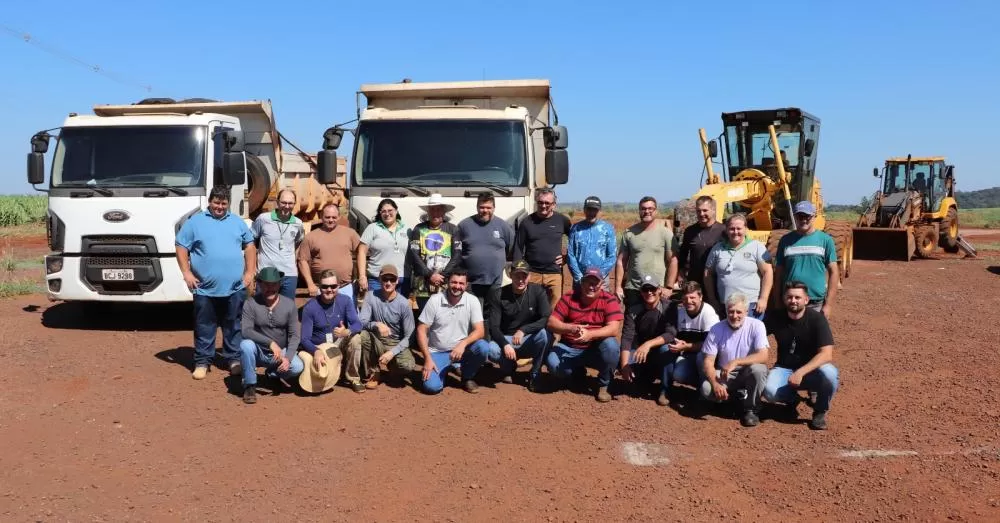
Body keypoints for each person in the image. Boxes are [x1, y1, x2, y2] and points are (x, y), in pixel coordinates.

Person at [175, 186, 256, 380]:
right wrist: (186, 272)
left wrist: (250, 272)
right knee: (205, 325)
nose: (219, 207)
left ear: (228, 204)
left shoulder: (237, 222)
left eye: (223, 203)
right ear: (210, 202)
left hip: (234, 288)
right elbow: (181, 246)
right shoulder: (195, 223)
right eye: (216, 203)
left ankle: (234, 359)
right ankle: (203, 361)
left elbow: (250, 246)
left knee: (233, 324)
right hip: (204, 289)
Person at [620, 279, 719, 406]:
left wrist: (687, 346)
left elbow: (710, 346)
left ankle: (702, 392)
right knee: (678, 374)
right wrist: (624, 365)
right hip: (685, 355)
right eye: (686, 298)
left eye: (693, 297)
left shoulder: (708, 312)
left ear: (701, 297)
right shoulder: (679, 310)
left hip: (703, 354)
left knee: (697, 356)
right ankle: (647, 378)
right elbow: (627, 336)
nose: (689, 301)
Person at [763, 282, 840, 430]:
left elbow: (826, 354)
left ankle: (820, 410)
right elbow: (756, 336)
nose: (793, 300)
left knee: (830, 374)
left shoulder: (817, 319)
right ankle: (792, 399)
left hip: (811, 371)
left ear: (806, 300)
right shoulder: (775, 317)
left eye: (797, 297)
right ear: (784, 299)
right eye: (789, 297)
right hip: (784, 368)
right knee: (769, 391)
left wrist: (800, 372)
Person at [471, 260, 552, 390]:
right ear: (510, 275)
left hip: (528, 338)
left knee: (544, 335)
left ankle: (535, 374)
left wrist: (524, 330)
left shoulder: (537, 291)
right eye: (517, 276)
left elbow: (545, 318)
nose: (521, 280)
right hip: (508, 339)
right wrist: (505, 344)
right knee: (492, 349)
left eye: (524, 276)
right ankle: (509, 368)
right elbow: (494, 326)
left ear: (529, 276)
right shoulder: (498, 294)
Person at [546, 267, 623, 402]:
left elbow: (614, 329)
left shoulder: (609, 299)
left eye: (595, 283)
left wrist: (590, 334)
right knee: (553, 364)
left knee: (611, 346)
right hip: (570, 346)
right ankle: (577, 371)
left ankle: (604, 384)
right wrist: (571, 328)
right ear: (582, 283)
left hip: (595, 348)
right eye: (588, 282)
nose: (591, 286)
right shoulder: (569, 297)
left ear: (601, 284)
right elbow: (551, 323)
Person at [415, 269, 491, 394]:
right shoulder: (435, 300)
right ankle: (446, 370)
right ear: (447, 283)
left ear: (466, 286)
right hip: (437, 351)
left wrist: (462, 344)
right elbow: (421, 330)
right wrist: (427, 358)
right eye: (454, 282)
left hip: (461, 351)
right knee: (431, 387)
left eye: (461, 283)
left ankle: (467, 376)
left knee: (483, 347)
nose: (457, 286)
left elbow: (480, 331)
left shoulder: (472, 301)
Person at [700, 293, 770, 427]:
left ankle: (752, 409)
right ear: (726, 311)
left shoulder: (757, 325)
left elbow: (763, 356)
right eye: (731, 311)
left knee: (759, 369)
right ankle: (732, 400)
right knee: (707, 389)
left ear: (746, 312)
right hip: (726, 373)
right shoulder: (716, 329)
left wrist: (736, 362)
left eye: (739, 312)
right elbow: (708, 361)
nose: (734, 315)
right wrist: (715, 384)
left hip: (748, 370)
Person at [237, 267, 304, 404]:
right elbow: (246, 331)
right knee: (246, 345)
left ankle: (273, 374)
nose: (270, 288)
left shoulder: (289, 305)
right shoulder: (250, 303)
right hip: (259, 351)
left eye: (274, 284)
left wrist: (288, 358)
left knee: (297, 366)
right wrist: (270, 343)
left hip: (281, 352)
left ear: (279, 284)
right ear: (259, 284)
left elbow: (294, 335)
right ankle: (249, 385)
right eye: (266, 284)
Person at [346, 264, 416, 390]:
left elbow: (409, 337)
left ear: (397, 281)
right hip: (377, 339)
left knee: (407, 365)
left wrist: (392, 352)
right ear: (379, 280)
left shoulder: (404, 304)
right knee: (362, 336)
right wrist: (376, 324)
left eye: (392, 279)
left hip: (395, 342)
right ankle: (374, 371)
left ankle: (392, 369)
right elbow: (361, 322)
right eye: (385, 279)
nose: (388, 283)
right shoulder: (371, 296)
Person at [457, 193, 514, 331]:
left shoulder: (503, 226)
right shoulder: (464, 225)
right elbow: (457, 251)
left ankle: (491, 343)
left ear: (494, 207)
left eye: (488, 207)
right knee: (472, 315)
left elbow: (511, 247)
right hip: (471, 282)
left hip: (495, 281)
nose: (485, 210)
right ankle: (473, 345)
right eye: (482, 207)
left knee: (493, 315)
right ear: (477, 207)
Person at [299, 269, 363, 391]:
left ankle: (354, 378)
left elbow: (357, 324)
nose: (329, 290)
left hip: (338, 343)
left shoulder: (345, 301)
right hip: (320, 348)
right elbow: (304, 339)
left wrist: (347, 332)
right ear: (319, 287)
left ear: (338, 287)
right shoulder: (310, 307)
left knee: (356, 338)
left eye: (333, 286)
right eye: (325, 286)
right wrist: (316, 351)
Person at [773, 201, 838, 318]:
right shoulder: (785, 240)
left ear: (814, 217)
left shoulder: (825, 240)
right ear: (794, 217)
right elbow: (778, 273)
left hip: (816, 303)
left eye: (807, 216)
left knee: (814, 336)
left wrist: (828, 305)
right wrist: (777, 301)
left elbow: (834, 272)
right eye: (799, 216)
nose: (803, 220)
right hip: (791, 302)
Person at [704, 213, 773, 319]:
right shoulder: (717, 248)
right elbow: (707, 273)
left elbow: (767, 272)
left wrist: (763, 299)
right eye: (732, 229)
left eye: (739, 228)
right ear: (726, 230)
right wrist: (712, 299)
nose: (735, 232)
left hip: (751, 306)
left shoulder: (757, 246)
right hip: (725, 306)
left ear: (745, 229)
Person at [512, 188, 571, 308]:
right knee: (531, 307)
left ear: (554, 204)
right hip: (533, 273)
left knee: (554, 308)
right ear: (536, 202)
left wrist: (567, 257)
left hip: (554, 273)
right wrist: (518, 270)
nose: (543, 206)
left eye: (547, 203)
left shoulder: (562, 220)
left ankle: (551, 327)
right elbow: (518, 246)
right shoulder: (527, 222)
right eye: (540, 202)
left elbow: (575, 240)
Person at [615, 196, 675, 310]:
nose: (647, 211)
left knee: (658, 324)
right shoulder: (629, 233)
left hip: (658, 289)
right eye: (643, 208)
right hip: (634, 288)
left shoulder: (665, 233)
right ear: (639, 211)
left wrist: (669, 287)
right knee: (632, 324)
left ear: (656, 210)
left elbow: (673, 260)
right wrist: (618, 286)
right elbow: (621, 261)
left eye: (650, 208)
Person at [408, 193, 463, 312]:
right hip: (423, 284)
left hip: (445, 283)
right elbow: (414, 255)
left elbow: (457, 255)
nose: (435, 213)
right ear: (428, 212)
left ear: (443, 212)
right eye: (432, 210)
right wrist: (430, 275)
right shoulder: (418, 229)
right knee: (425, 316)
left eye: (438, 210)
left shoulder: (453, 229)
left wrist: (443, 275)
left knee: (445, 317)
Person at [297, 203, 361, 302]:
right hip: (321, 289)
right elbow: (302, 260)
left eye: (334, 217)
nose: (331, 220)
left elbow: (361, 253)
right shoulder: (311, 236)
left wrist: (361, 276)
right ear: (321, 217)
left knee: (349, 316)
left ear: (339, 216)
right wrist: (310, 284)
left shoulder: (350, 234)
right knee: (322, 316)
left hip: (345, 288)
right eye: (327, 217)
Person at [250, 188, 304, 299]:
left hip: (289, 274)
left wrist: (294, 263)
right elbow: (251, 242)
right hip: (266, 273)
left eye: (290, 203)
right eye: (284, 202)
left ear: (294, 204)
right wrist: (253, 267)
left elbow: (298, 243)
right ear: (277, 202)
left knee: (287, 309)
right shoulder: (264, 219)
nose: (287, 206)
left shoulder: (298, 223)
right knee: (262, 309)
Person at [667, 195, 725, 291]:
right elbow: (683, 254)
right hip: (696, 282)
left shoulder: (723, 231)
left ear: (713, 210)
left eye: (705, 210)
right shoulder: (690, 231)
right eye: (698, 211)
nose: (701, 214)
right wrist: (681, 273)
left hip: (717, 280)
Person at [357, 198, 411, 297]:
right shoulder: (372, 228)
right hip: (378, 279)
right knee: (377, 310)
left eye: (390, 210)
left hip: (402, 280)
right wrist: (362, 276)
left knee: (399, 311)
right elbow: (361, 252)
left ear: (396, 211)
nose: (387, 214)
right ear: (380, 213)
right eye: (383, 211)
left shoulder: (407, 229)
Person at [567, 195, 617, 292]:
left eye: (595, 210)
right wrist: (578, 277)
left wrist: (598, 276)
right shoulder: (576, 229)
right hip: (580, 279)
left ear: (599, 211)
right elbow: (571, 254)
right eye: (589, 209)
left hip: (601, 280)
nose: (591, 213)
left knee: (601, 306)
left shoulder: (608, 229)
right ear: (584, 210)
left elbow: (612, 256)